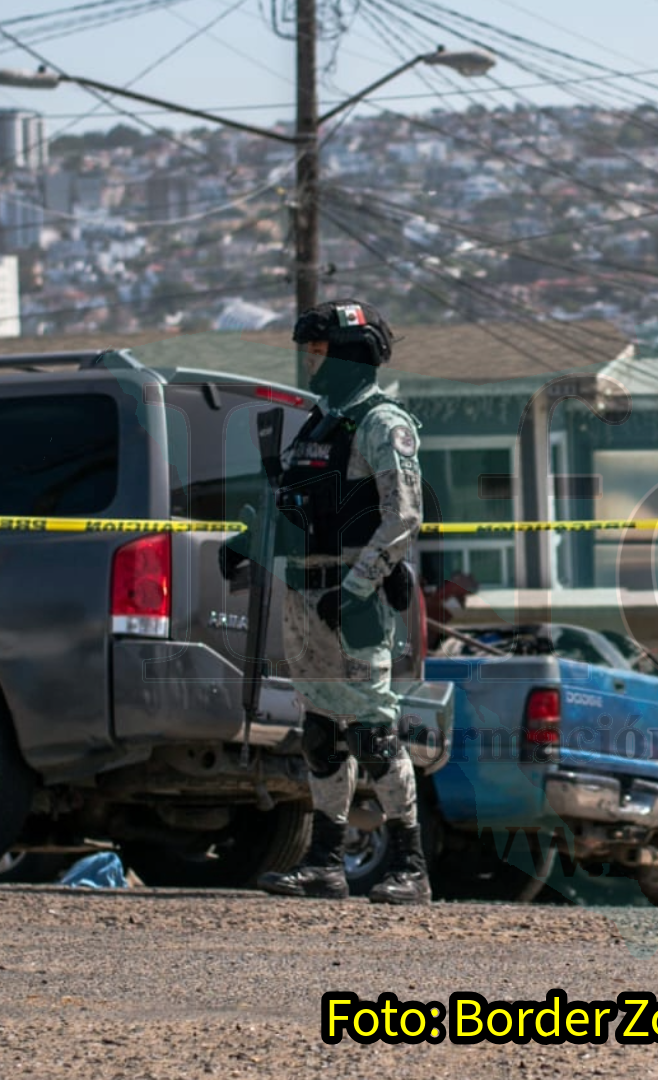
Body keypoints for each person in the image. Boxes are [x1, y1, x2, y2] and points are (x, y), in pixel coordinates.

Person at [226, 298, 430, 904]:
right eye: (308, 351)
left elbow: (402, 517)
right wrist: (248, 544)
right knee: (319, 729)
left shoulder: (380, 423)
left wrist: (358, 587)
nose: (310, 362)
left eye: (320, 351)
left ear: (351, 355)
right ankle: (323, 862)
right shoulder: (320, 421)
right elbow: (301, 504)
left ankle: (409, 864)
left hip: (352, 594)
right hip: (305, 589)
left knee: (373, 730)